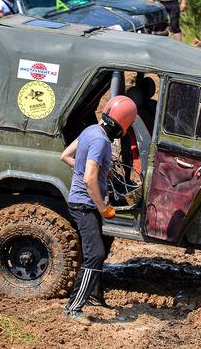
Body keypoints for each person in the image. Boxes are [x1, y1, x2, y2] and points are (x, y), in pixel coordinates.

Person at [60, 95, 137, 323]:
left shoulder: (91, 130)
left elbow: (65, 156)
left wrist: (103, 171)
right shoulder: (102, 141)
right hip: (85, 204)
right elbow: (89, 179)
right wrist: (103, 207)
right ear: (122, 125)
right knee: (96, 255)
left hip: (80, 200)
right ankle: (73, 307)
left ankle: (93, 293)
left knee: (101, 245)